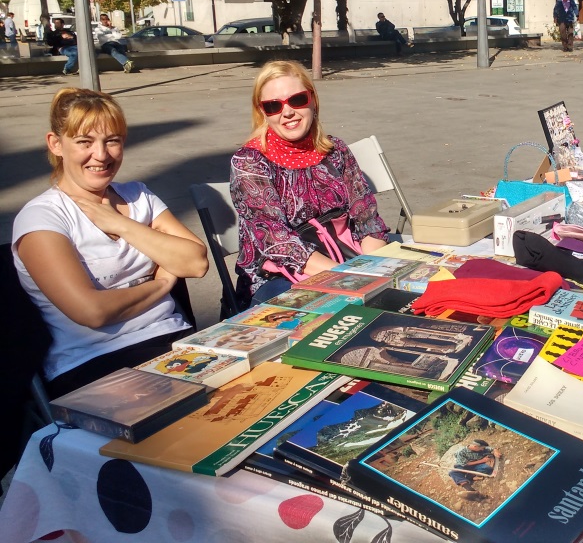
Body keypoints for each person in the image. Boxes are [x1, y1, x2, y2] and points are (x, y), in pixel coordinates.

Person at [12, 88, 209, 398]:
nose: (101, 155)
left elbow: (195, 263)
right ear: (56, 144)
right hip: (94, 361)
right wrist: (160, 284)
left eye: (112, 141)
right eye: (84, 142)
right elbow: (92, 312)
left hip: (174, 340)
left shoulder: (137, 195)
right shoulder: (42, 218)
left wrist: (119, 223)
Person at [230, 60, 390, 307]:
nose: (287, 112)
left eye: (297, 100)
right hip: (279, 275)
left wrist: (377, 270)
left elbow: (366, 219)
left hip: (346, 258)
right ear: (262, 112)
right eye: (273, 105)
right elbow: (279, 242)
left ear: (313, 99)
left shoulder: (336, 150)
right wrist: (351, 280)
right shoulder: (250, 161)